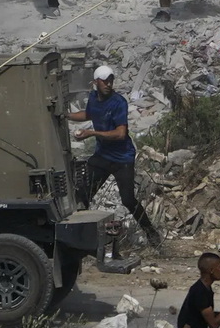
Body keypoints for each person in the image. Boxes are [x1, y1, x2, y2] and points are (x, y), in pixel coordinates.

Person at [66, 65, 161, 246]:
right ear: (96, 82)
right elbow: (88, 114)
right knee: (83, 193)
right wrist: (66, 116)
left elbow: (120, 134)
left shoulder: (119, 103)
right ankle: (81, 239)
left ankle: (152, 234)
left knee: (128, 199)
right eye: (104, 81)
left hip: (122, 158)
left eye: (111, 81)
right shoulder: (93, 98)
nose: (108, 84)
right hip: (102, 156)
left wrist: (92, 134)